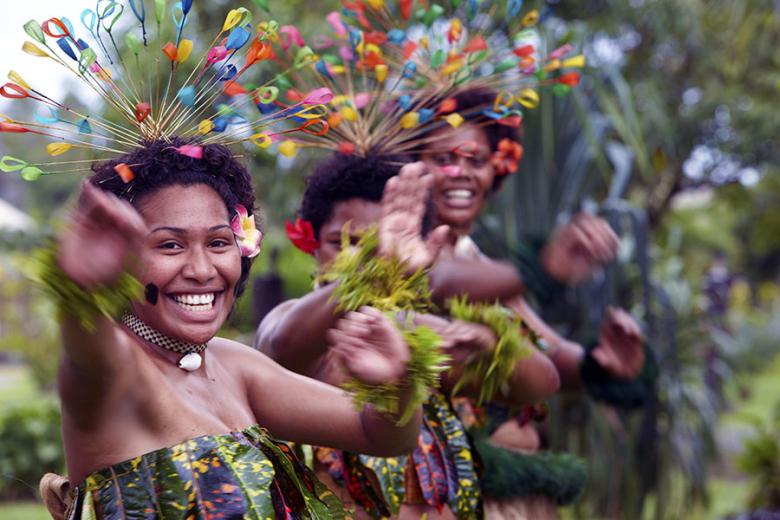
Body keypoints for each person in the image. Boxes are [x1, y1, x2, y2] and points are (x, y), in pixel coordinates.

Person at [41, 139, 424, 519]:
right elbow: (87, 351)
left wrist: (400, 381)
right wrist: (83, 294)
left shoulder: (235, 365)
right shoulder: (120, 371)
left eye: (218, 242)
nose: (203, 269)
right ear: (122, 257)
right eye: (170, 245)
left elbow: (381, 434)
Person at [256, 153, 560, 519]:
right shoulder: (294, 323)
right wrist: (377, 268)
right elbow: (282, 343)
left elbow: (542, 382)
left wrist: (491, 345)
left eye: (375, 245)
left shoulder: (420, 330)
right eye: (343, 242)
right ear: (312, 243)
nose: (358, 258)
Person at [417, 88, 649, 518]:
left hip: (516, 494)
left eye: (476, 160)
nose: (460, 173)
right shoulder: (403, 255)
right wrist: (539, 269)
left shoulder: (479, 262)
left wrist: (602, 366)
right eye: (443, 159)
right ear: (412, 167)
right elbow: (442, 284)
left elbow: (550, 352)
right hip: (448, 494)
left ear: (496, 171)